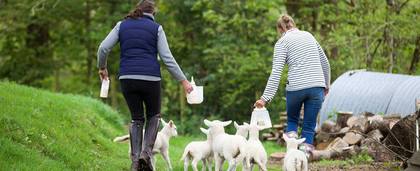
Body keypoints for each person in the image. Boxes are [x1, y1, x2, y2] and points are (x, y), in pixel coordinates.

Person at [96, 0, 193, 170]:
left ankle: (135, 162)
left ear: (137, 10)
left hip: (127, 77)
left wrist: (102, 68)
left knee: (136, 118)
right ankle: (146, 153)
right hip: (151, 79)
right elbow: (167, 58)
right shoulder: (157, 28)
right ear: (153, 14)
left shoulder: (121, 25)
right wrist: (184, 81)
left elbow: (103, 48)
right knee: (154, 115)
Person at [254, 14, 330, 157]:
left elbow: (276, 72)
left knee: (292, 121)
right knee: (309, 126)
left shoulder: (282, 42)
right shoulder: (309, 36)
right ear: (293, 24)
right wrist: (326, 85)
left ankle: (292, 154)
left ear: (280, 29)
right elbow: (325, 62)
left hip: (296, 88)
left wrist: (265, 98)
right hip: (317, 86)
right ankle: (304, 158)